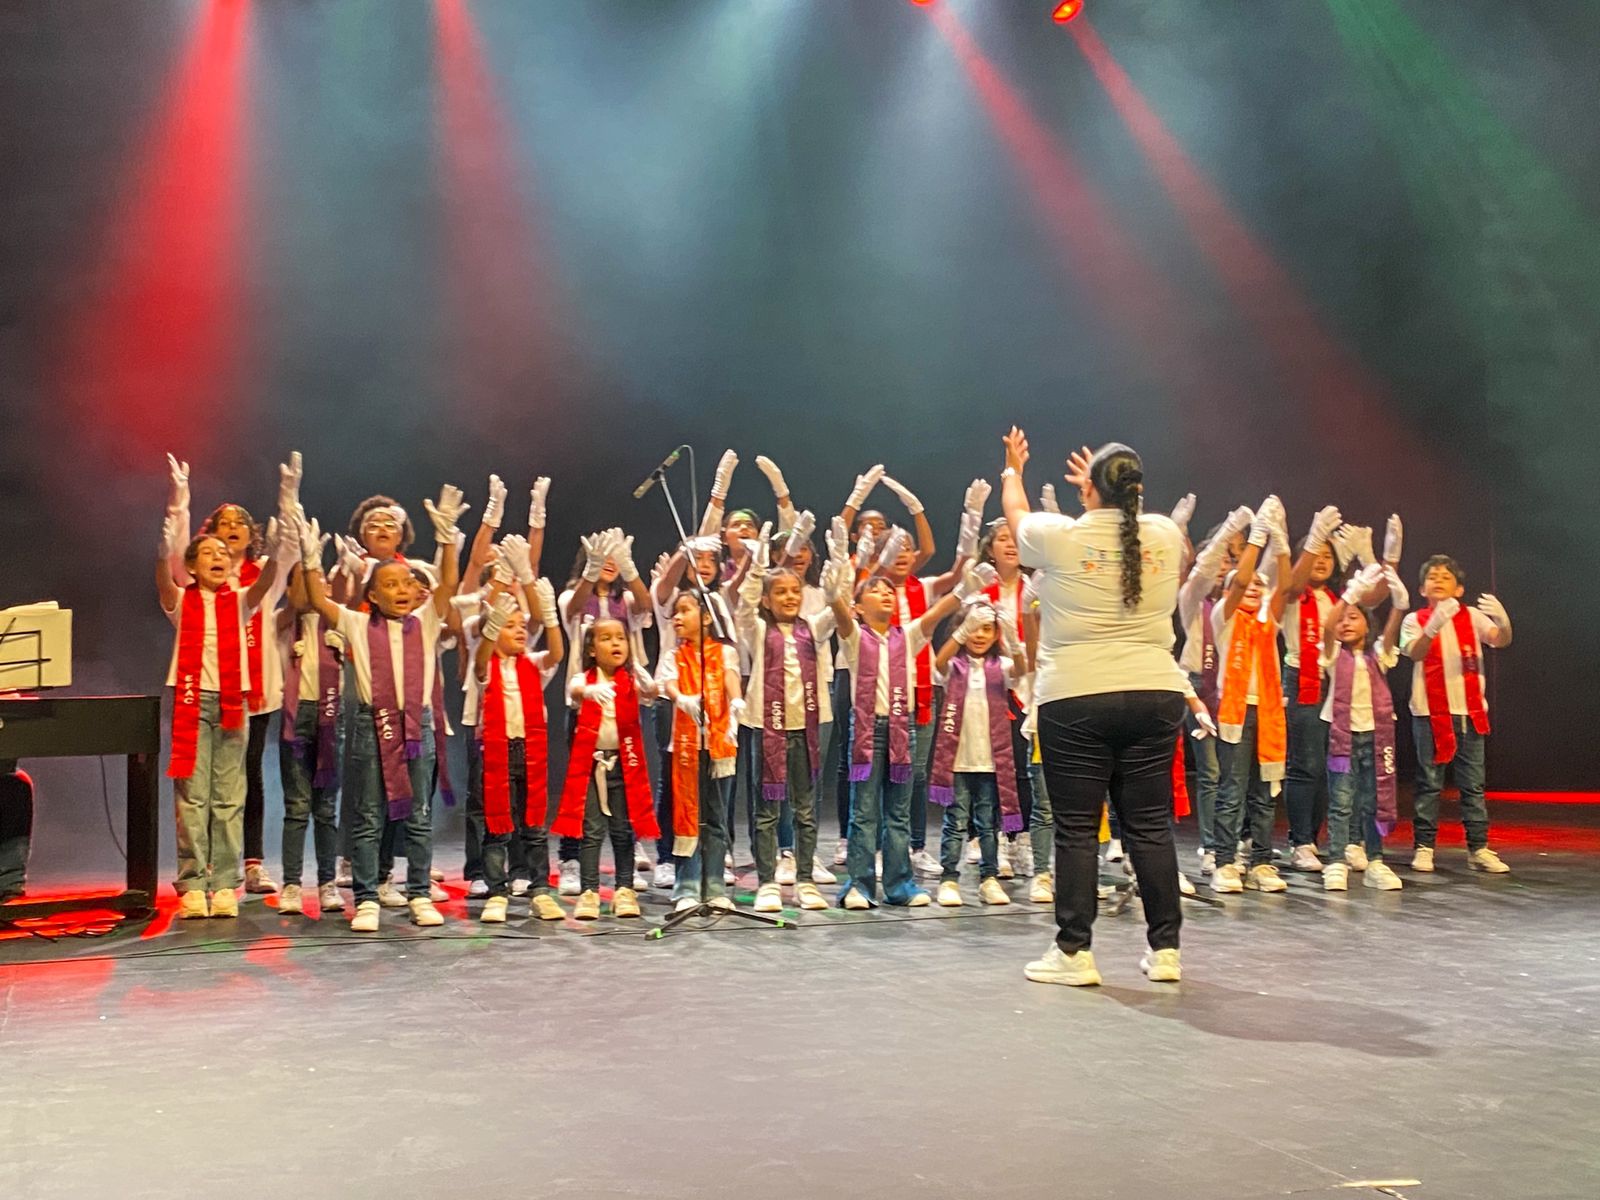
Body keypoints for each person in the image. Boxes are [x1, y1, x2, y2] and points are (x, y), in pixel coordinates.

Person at [1000, 430, 1190, 987]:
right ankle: (1167, 950)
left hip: (1078, 695)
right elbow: (1129, 520)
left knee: (1078, 829)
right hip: (1155, 692)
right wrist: (1101, 485)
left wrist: (1014, 468)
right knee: (1150, 825)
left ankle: (1074, 952)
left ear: (1089, 492)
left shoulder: (1060, 536)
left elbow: (1016, 511)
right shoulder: (1165, 533)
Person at [298, 492, 464, 932]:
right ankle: (368, 897)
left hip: (415, 727)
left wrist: (447, 539)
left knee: (418, 817)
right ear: (372, 594)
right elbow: (318, 601)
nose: (400, 591)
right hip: (369, 727)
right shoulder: (356, 622)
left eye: (406, 584)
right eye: (389, 585)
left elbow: (447, 584)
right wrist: (311, 559)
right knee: (369, 815)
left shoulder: (425, 621)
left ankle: (419, 894)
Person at [825, 521, 981, 910]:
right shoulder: (855, 637)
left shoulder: (906, 635)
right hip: (868, 733)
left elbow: (936, 615)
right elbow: (842, 617)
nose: (884, 593)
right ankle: (860, 885)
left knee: (898, 812)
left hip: (902, 730)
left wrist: (964, 589)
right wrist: (834, 595)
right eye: (874, 590)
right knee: (864, 813)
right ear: (860, 606)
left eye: (887, 590)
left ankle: (899, 884)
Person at [157, 518, 286, 919]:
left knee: (229, 797)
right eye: (209, 553)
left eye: (224, 553)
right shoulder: (183, 600)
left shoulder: (242, 599)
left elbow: (266, 582)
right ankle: (193, 883)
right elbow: (164, 581)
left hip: (233, 704)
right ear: (192, 566)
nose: (220, 557)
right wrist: (164, 554)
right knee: (193, 797)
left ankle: (225, 883)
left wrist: (283, 544)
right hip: (193, 703)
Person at [735, 532, 836, 914]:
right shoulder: (759, 630)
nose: (790, 598)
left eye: (795, 591)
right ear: (767, 599)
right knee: (766, 811)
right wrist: (758, 564)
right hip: (767, 727)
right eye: (780, 592)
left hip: (806, 727)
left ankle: (806, 879)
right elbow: (743, 608)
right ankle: (766, 882)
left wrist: (839, 559)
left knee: (806, 809)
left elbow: (839, 600)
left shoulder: (814, 629)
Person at [1399, 556, 1513, 873]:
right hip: (1430, 713)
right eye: (1431, 576)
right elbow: (1414, 652)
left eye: (1446, 576)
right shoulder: (1414, 619)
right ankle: (1424, 847)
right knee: (1429, 784)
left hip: (1469, 712)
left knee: (1473, 786)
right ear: (1422, 588)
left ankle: (1479, 848)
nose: (1438, 579)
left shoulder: (1472, 616)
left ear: (1459, 588)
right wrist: (1434, 624)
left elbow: (1499, 640)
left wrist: (1504, 624)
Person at [1209, 496, 1294, 895]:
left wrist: (1282, 543)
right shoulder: (1222, 620)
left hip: (1269, 714)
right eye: (1246, 587)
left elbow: (1287, 586)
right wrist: (1257, 536)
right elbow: (1242, 579)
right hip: (1236, 714)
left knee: (1264, 793)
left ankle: (1261, 862)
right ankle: (1226, 862)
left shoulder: (1267, 624)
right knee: (1232, 789)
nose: (1253, 589)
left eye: (1260, 588)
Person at [471, 569, 563, 923]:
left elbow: (555, 653)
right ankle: (497, 891)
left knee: (535, 825)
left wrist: (550, 616)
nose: (521, 630)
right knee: (497, 825)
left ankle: (540, 888)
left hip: (529, 751)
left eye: (522, 624)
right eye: (510, 625)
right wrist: (490, 630)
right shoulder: (486, 667)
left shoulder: (533, 665)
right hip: (496, 752)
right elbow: (479, 662)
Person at [552, 617, 659, 919]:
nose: (615, 644)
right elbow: (573, 690)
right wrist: (587, 692)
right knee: (592, 830)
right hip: (590, 767)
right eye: (606, 638)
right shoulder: (584, 678)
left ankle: (624, 889)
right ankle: (589, 890)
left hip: (625, 766)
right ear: (590, 649)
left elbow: (651, 693)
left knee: (624, 829)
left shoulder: (631, 680)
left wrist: (649, 686)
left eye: (621, 638)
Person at [929, 601, 1027, 907]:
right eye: (974, 628)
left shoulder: (1002, 668)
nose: (980, 635)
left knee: (987, 822)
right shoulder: (955, 667)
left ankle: (989, 878)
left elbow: (1025, 667)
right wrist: (962, 630)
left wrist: (1011, 635)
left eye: (987, 629)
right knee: (955, 821)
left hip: (990, 760)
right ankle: (948, 878)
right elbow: (938, 663)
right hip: (957, 760)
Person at [1319, 563, 1407, 891]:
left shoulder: (1377, 656)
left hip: (1375, 736)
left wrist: (1399, 604)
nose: (1345, 623)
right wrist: (1349, 597)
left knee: (1374, 799)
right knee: (1341, 801)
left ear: (1368, 626)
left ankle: (1377, 860)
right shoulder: (1331, 654)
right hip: (1341, 737)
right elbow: (1327, 628)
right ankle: (1337, 861)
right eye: (1343, 618)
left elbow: (1391, 632)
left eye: (1354, 617)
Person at [275, 523, 345, 918]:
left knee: (326, 809)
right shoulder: (287, 622)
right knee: (297, 805)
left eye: (323, 581)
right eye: (307, 581)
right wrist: (305, 562)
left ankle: (327, 882)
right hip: (297, 717)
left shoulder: (342, 623)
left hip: (331, 719)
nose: (318, 588)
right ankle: (290, 883)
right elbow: (300, 598)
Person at [657, 590, 742, 913]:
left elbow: (731, 677)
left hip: (719, 745)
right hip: (687, 746)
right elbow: (669, 684)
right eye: (675, 612)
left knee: (717, 818)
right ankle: (687, 886)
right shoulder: (673, 656)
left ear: (706, 617)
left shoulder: (724, 653)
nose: (677, 618)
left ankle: (716, 885)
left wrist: (735, 702)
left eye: (685, 611)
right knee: (688, 816)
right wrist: (682, 699)